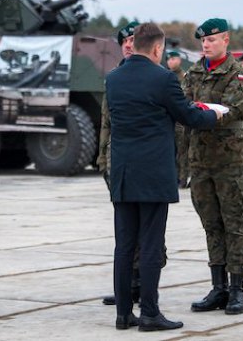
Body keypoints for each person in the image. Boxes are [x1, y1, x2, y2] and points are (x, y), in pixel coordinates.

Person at [107, 22, 221, 331]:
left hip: (123, 173)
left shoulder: (113, 79)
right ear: (157, 48)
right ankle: (150, 313)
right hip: (153, 174)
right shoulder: (164, 78)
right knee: (151, 245)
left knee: (124, 246)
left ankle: (123, 314)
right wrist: (215, 114)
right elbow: (189, 116)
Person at [184, 18, 243, 315]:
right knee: (211, 225)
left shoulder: (237, 74)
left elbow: (233, 109)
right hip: (201, 161)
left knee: (234, 225)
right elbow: (182, 103)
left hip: (230, 163)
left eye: (211, 40)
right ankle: (218, 287)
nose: (206, 44)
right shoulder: (195, 72)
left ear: (226, 40)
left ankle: (237, 289)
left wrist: (202, 110)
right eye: (203, 41)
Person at [97, 21, 145, 307]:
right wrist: (103, 158)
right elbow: (107, 121)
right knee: (125, 229)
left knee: (148, 232)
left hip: (145, 163)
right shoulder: (114, 76)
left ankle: (145, 284)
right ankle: (128, 286)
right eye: (124, 41)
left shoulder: (157, 76)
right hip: (117, 162)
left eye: (133, 40)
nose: (128, 44)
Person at [167, 50, 191, 188]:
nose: (171, 62)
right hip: (169, 120)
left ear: (179, 60)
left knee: (182, 151)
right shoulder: (165, 76)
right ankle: (174, 177)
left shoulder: (185, 77)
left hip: (181, 121)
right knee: (171, 151)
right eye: (169, 59)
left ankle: (183, 178)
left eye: (174, 59)